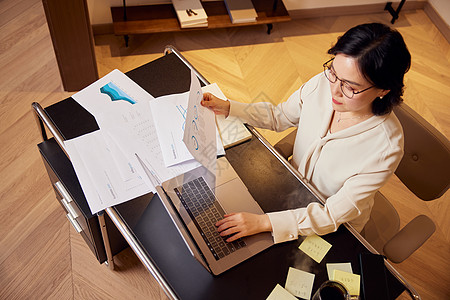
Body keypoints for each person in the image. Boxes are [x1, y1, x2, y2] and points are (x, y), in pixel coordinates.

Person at [201, 23, 411, 244]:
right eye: (333, 72)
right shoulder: (324, 83)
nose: (334, 90)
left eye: (350, 87)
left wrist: (264, 223)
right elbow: (279, 116)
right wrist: (230, 107)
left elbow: (332, 215)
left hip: (331, 225)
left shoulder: (387, 147)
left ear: (383, 90)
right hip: (289, 189)